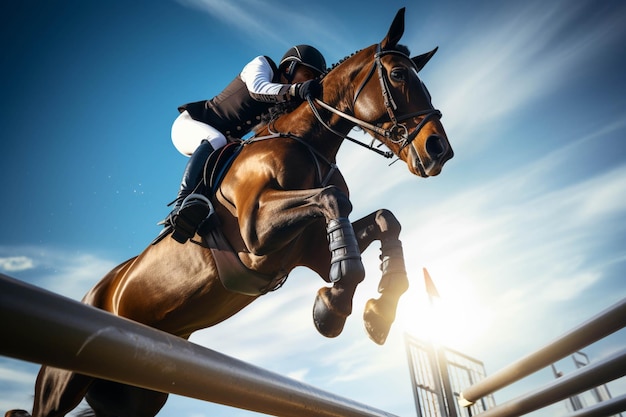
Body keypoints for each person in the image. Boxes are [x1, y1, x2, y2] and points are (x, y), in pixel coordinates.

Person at [163, 45, 327, 244]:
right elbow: (257, 89)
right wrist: (296, 90)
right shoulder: (262, 64)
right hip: (189, 125)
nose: (309, 81)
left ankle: (205, 212)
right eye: (307, 74)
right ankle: (182, 202)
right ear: (288, 68)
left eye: (314, 78)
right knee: (216, 140)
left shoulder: (281, 102)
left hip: (220, 145)